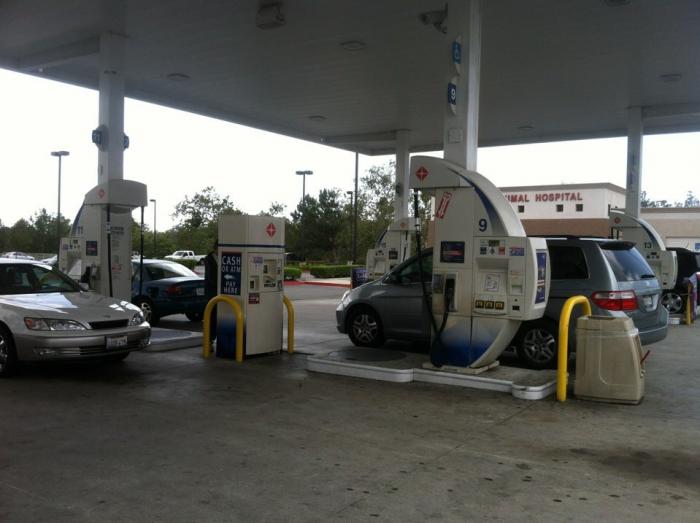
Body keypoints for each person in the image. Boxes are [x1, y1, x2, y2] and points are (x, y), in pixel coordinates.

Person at [203, 240, 218, 341]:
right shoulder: (209, 259)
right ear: (216, 247)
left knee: (217, 316)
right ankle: (209, 338)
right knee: (212, 316)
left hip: (219, 292)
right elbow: (210, 277)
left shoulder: (223, 258)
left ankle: (213, 337)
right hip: (212, 292)